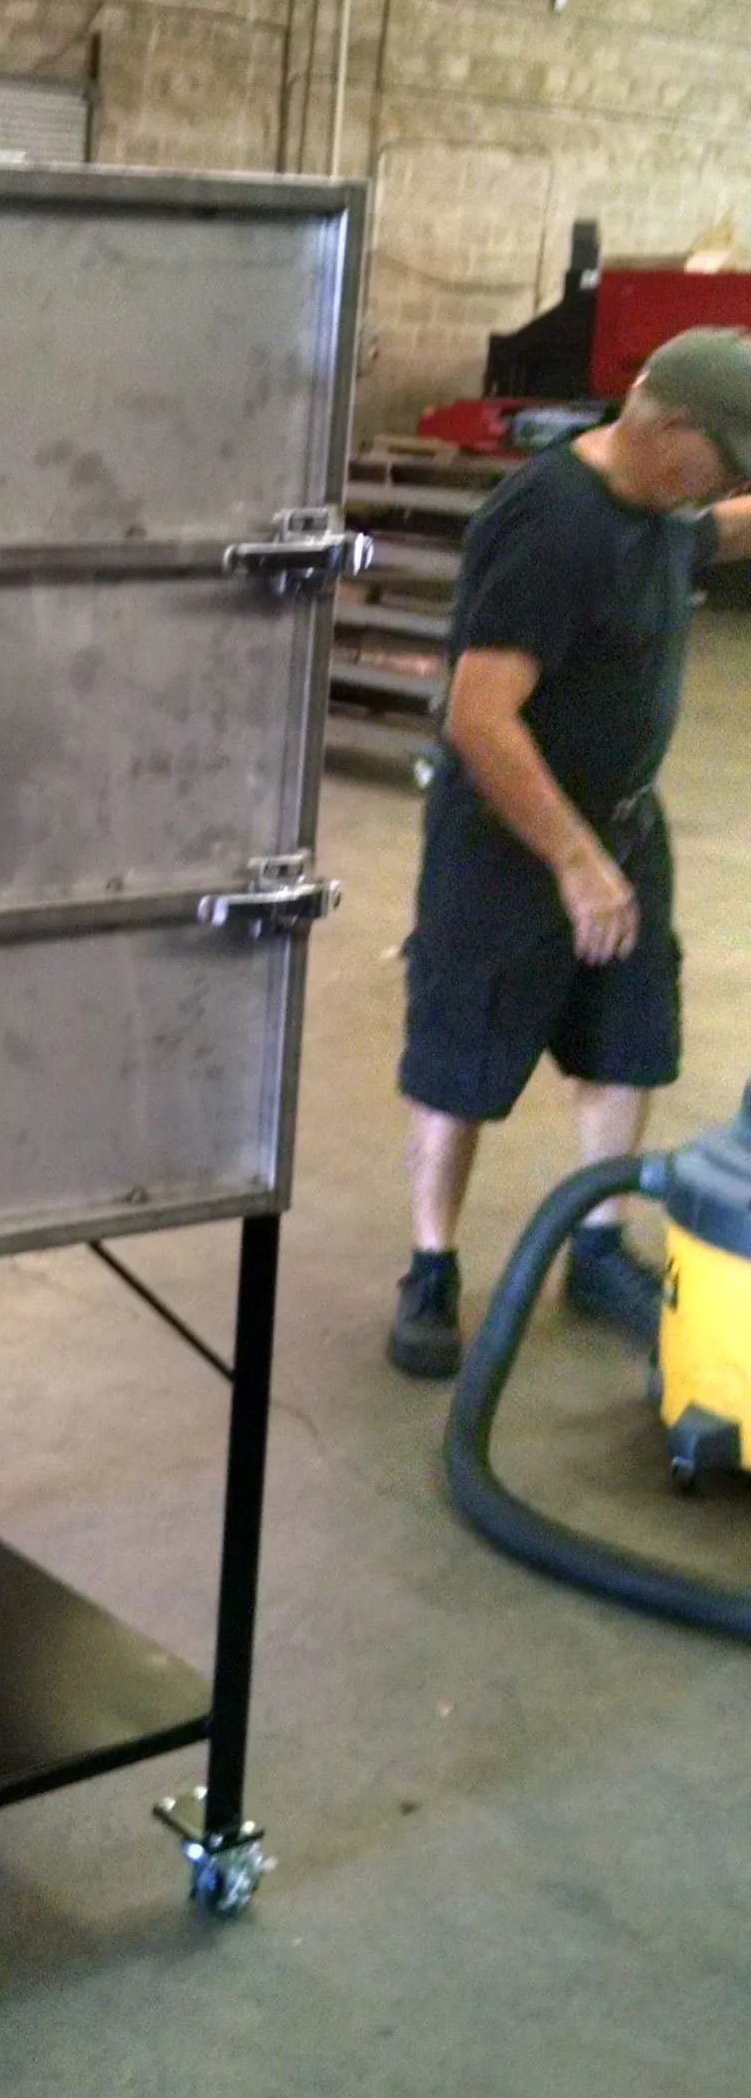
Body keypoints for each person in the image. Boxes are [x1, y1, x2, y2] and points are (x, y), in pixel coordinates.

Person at [388, 327, 751, 1380]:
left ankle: (596, 1248)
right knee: (464, 1051)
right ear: (666, 423)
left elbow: (710, 536)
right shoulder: (554, 519)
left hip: (622, 825)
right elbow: (481, 717)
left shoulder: (653, 511)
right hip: (511, 843)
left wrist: (611, 851)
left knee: (623, 1036)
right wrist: (576, 861)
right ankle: (430, 1267)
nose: (722, 482)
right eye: (721, 458)